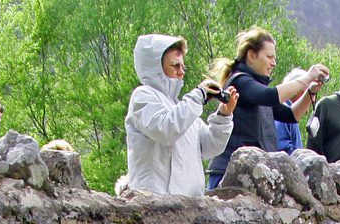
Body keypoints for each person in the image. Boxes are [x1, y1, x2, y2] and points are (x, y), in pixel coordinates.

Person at [206, 31, 327, 189]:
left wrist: (309, 91)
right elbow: (270, 95)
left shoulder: (256, 89)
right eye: (269, 56)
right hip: (228, 172)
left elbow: (290, 115)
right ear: (252, 55)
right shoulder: (240, 81)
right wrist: (306, 78)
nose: (274, 63)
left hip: (248, 173)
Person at [121, 34, 238, 198]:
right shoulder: (142, 96)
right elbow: (165, 130)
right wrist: (197, 96)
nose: (181, 72)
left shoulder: (181, 106)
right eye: (175, 66)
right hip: (153, 202)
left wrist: (223, 115)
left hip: (190, 205)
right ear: (156, 67)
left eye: (183, 67)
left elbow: (210, 146)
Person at [276, 69, 311, 153]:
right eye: (309, 93)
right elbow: (282, 148)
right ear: (296, 91)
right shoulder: (282, 112)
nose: (312, 99)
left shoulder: (287, 112)